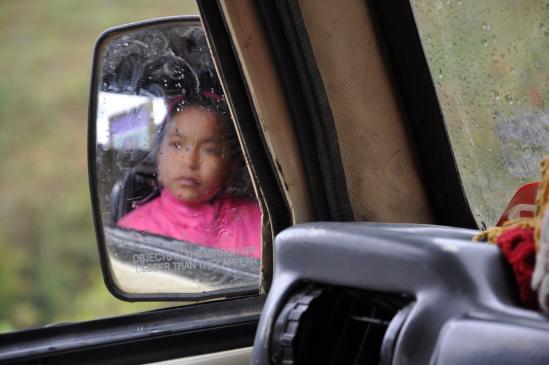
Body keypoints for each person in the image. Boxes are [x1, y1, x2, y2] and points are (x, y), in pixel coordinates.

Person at [117, 95, 261, 258]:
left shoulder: (258, 223)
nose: (190, 161)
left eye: (209, 150)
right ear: (158, 154)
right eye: (177, 144)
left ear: (229, 165)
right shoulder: (132, 232)